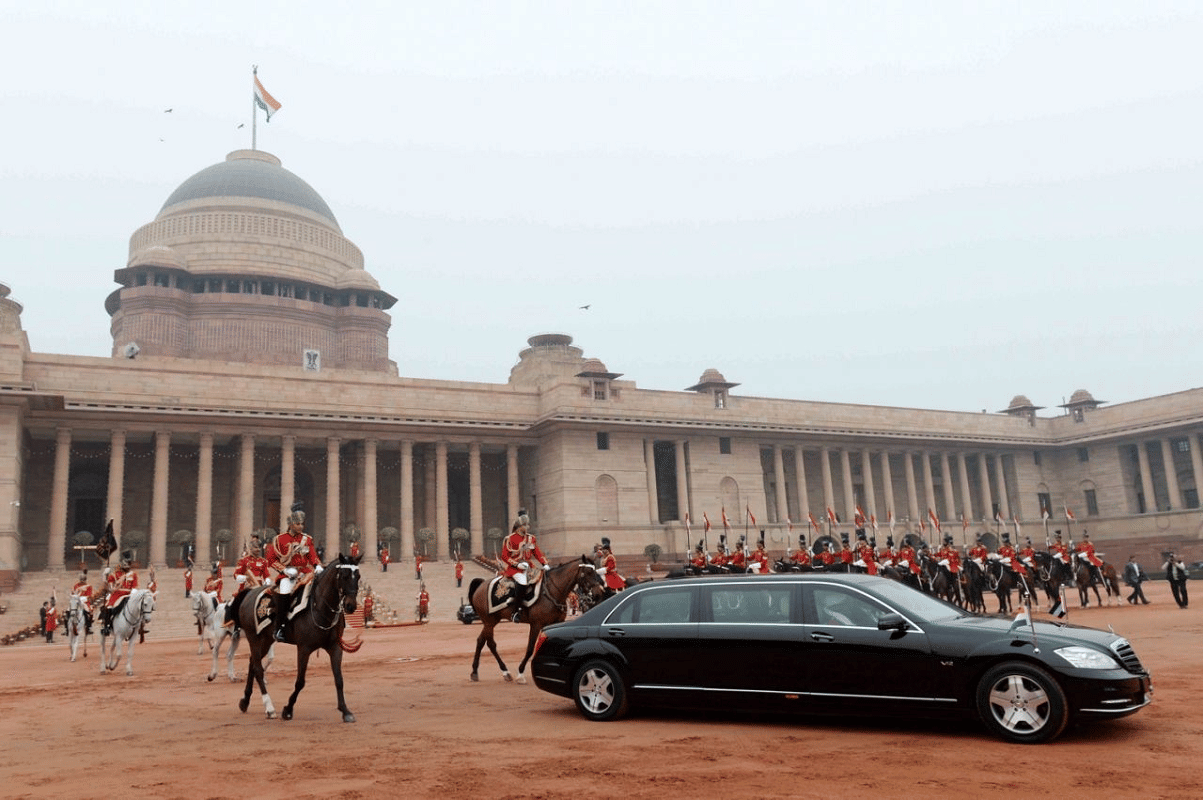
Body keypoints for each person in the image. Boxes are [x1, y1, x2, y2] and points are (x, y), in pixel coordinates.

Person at [264, 505, 323, 642]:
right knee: (285, 593)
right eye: (298, 524)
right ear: (290, 524)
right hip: (288, 575)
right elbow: (271, 559)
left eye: (302, 524)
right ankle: (280, 628)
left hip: (306, 573)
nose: (301, 526)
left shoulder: (307, 539)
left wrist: (318, 566)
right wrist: (284, 570)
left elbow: (313, 557)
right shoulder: (280, 539)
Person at [501, 512, 549, 621]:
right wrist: (517, 564)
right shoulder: (510, 539)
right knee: (522, 582)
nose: (527, 527)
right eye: (525, 525)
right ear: (519, 526)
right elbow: (504, 556)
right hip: (515, 569)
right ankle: (516, 611)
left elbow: (537, 552)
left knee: (543, 580)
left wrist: (544, 563)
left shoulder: (531, 538)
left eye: (528, 525)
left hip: (530, 567)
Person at [228, 536, 272, 628]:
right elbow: (236, 575)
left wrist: (266, 582)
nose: (258, 549)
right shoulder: (244, 561)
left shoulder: (263, 561)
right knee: (233, 603)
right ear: (251, 548)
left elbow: (267, 576)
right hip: (246, 587)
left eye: (259, 547)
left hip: (259, 587)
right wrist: (246, 578)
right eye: (255, 547)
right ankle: (235, 626)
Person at [101, 551, 138, 635]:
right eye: (126, 565)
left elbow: (134, 587)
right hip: (117, 595)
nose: (128, 568)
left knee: (140, 606)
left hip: (129, 594)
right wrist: (104, 575)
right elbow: (110, 588)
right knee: (109, 607)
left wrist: (133, 594)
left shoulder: (133, 575)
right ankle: (107, 626)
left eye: (129, 565)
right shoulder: (114, 575)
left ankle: (140, 626)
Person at [72, 570, 94, 634]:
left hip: (85, 600)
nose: (82, 581)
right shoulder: (76, 585)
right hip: (77, 600)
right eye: (81, 579)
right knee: (68, 611)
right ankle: (66, 627)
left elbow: (89, 595)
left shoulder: (88, 586)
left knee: (88, 612)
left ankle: (88, 627)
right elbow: (74, 593)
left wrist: (83, 598)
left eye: (83, 579)